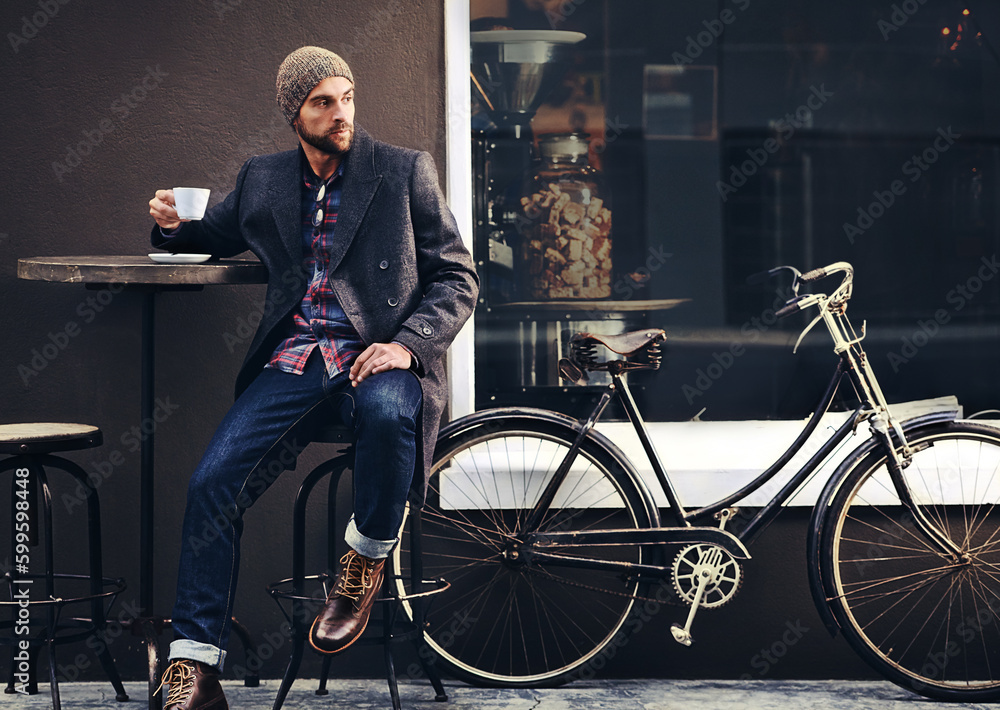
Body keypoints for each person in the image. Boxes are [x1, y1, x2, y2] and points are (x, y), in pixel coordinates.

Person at [147, 46, 479, 710]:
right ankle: (194, 666)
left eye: (347, 96)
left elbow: (456, 277)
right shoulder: (265, 179)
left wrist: (409, 347)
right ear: (294, 112)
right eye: (323, 102)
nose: (341, 113)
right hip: (297, 361)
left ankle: (363, 561)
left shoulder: (403, 170)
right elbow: (208, 229)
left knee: (390, 414)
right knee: (212, 481)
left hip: (377, 354)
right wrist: (167, 224)